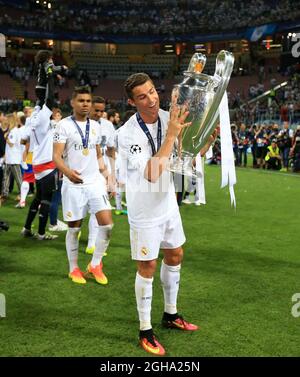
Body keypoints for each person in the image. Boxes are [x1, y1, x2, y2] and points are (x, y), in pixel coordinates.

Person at [118, 73, 202, 356]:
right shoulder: (127, 134)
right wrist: (171, 135)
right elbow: (153, 173)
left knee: (176, 254)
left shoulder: (170, 117)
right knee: (148, 267)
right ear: (132, 102)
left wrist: (204, 141)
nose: (151, 99)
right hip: (144, 209)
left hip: (168, 204)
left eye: (152, 91)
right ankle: (145, 330)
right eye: (142, 96)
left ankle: (170, 314)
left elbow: (185, 154)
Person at [53, 86, 114, 285]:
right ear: (72, 102)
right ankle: (74, 268)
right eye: (81, 101)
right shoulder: (63, 126)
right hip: (73, 185)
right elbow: (56, 156)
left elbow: (97, 154)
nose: (85, 104)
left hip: (94, 182)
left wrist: (107, 176)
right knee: (74, 229)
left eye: (88, 101)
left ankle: (95, 264)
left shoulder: (95, 126)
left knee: (107, 224)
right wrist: (68, 173)